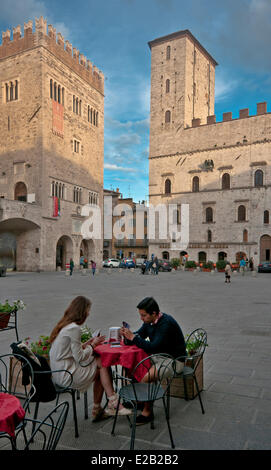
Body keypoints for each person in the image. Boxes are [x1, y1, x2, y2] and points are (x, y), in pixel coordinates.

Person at [49, 296, 131, 421]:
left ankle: (100, 408)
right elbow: (80, 357)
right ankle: (112, 403)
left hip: (58, 372)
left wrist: (88, 343)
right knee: (103, 363)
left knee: (101, 368)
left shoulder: (66, 326)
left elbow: (70, 351)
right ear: (82, 311)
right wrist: (93, 345)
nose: (89, 313)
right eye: (88, 309)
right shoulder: (74, 329)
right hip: (67, 374)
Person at [120, 297, 186, 425]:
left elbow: (153, 346)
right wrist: (127, 335)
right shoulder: (149, 322)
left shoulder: (166, 323)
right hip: (158, 356)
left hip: (173, 360)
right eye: (140, 315)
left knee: (146, 378)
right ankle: (139, 401)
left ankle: (147, 412)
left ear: (154, 313)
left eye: (143, 315)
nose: (141, 318)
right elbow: (140, 335)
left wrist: (133, 337)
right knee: (133, 368)